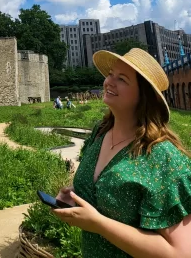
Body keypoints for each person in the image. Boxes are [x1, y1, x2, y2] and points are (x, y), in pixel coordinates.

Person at [52, 47, 191, 257]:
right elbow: (107, 191)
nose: (109, 82)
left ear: (143, 96)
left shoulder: (163, 157)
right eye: (110, 75)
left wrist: (99, 224)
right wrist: (75, 197)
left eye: (122, 79)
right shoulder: (100, 133)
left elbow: (180, 252)